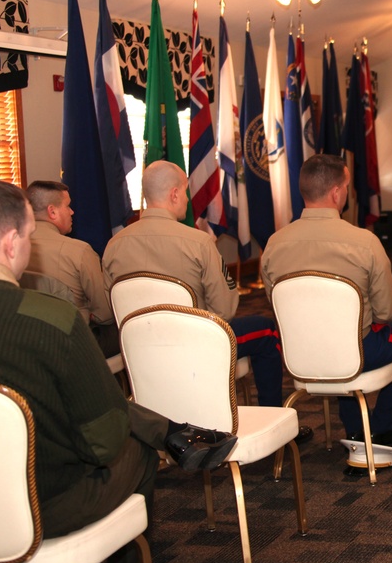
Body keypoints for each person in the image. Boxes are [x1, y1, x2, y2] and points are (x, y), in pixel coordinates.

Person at [0, 179, 239, 563]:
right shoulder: (51, 318)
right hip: (40, 508)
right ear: (11, 242)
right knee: (136, 446)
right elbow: (105, 442)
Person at [102, 161, 311, 443]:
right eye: (186, 193)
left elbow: (111, 307)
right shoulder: (198, 242)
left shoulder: (114, 246)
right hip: (195, 348)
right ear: (174, 194)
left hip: (141, 353)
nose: (187, 200)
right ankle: (273, 418)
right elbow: (225, 310)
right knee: (265, 330)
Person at [261, 154, 392, 474]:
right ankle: (383, 427)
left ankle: (355, 429)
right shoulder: (364, 241)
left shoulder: (274, 244)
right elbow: (387, 311)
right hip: (356, 352)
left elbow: (278, 304)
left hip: (299, 356)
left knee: (334, 339)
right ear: (337, 193)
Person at [25, 180, 118, 354]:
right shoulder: (79, 251)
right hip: (73, 343)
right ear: (52, 211)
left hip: (28, 339)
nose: (72, 212)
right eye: (68, 206)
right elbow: (104, 314)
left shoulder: (13, 248)